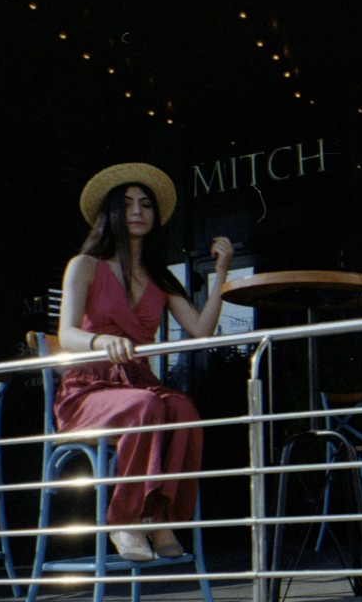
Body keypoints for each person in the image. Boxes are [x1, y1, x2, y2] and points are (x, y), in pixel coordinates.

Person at [56, 162, 233, 563]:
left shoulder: (161, 278)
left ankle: (160, 518)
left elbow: (200, 330)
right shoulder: (84, 265)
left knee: (183, 409)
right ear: (110, 214)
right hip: (88, 389)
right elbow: (66, 334)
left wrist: (221, 272)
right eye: (128, 204)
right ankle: (124, 519)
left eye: (146, 205)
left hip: (138, 383)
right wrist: (101, 341)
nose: (138, 211)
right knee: (147, 405)